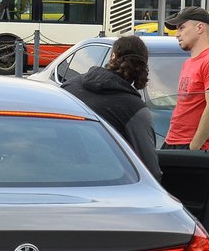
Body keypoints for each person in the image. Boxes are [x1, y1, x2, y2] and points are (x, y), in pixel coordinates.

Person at [61, 35, 162, 181]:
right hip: (105, 185)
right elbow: (151, 171)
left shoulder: (70, 86)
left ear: (112, 56)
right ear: (142, 67)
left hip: (56, 174)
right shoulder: (134, 109)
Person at [162, 6, 209, 151]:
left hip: (193, 145)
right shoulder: (189, 62)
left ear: (200, 28)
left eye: (181, 28)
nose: (177, 34)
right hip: (173, 141)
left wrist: (194, 148)